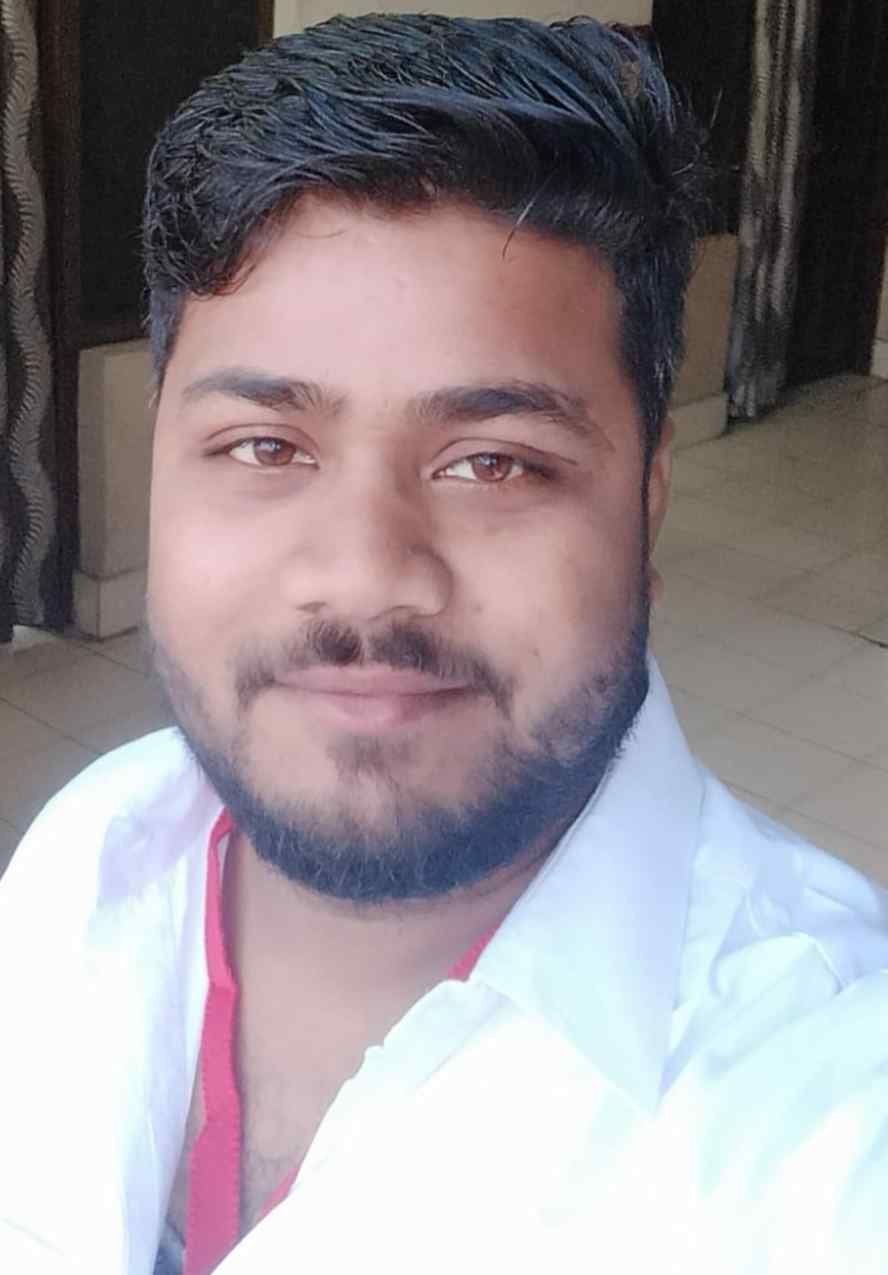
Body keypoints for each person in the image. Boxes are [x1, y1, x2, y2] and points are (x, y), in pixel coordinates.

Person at [1, 14, 886, 1274]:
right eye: (265, 446)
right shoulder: (91, 848)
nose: (367, 572)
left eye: (494, 463)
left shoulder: (824, 1119)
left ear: (645, 500)